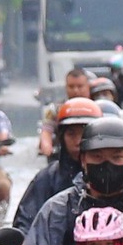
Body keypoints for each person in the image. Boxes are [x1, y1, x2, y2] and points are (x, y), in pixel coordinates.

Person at [12, 97, 100, 237]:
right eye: (71, 134)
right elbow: (26, 219)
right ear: (61, 137)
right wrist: (21, 239)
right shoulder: (47, 177)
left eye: (84, 134)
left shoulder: (115, 175)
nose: (78, 141)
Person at [39, 68, 93, 154]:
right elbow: (46, 130)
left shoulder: (98, 107)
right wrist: (47, 148)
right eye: (71, 86)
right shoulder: (55, 109)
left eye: (80, 86)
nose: (75, 91)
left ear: (88, 86)